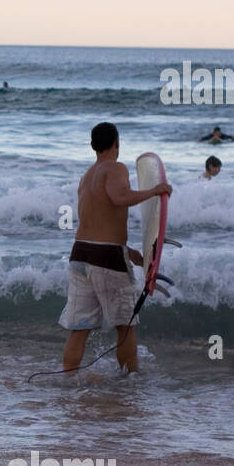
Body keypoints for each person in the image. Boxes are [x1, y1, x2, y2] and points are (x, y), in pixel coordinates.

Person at [59, 122, 172, 374]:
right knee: (126, 325)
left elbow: (97, 221)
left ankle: (67, 381)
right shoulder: (116, 168)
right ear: (117, 144)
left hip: (80, 254)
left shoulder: (86, 176)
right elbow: (120, 198)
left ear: (92, 146)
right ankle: (129, 383)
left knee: (80, 328)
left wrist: (128, 252)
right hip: (106, 258)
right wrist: (155, 191)